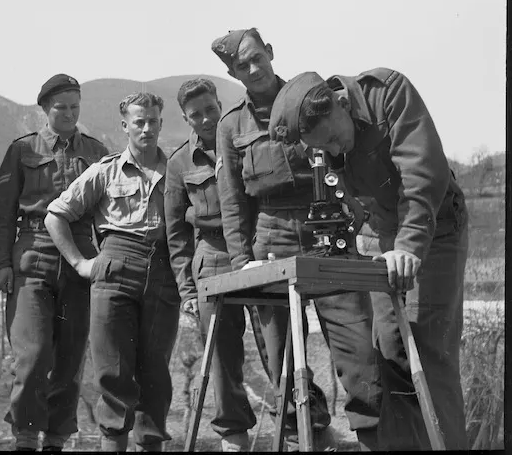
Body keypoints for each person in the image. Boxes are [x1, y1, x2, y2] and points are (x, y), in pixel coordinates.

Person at [268, 68, 469, 450]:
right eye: (321, 148)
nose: (330, 152)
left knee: (428, 352)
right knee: (390, 355)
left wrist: (408, 247)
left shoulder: (388, 93)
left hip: (435, 227)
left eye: (331, 139)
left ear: (341, 103)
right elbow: (354, 201)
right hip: (385, 236)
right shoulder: (330, 140)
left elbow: (422, 177)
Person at [212, 29, 381, 451]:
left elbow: (349, 161)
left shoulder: (311, 99)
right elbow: (233, 202)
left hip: (328, 232)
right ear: (233, 73)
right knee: (282, 362)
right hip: (270, 240)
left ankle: (376, 436)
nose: (252, 69)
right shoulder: (231, 125)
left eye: (256, 58)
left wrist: (355, 223)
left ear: (269, 52)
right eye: (241, 66)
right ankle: (310, 435)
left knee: (358, 350)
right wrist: (240, 264)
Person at [43, 92, 180, 452]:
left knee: (156, 374)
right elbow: (55, 214)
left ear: (161, 123)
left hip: (163, 271)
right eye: (139, 121)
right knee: (113, 373)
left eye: (153, 121)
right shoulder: (105, 171)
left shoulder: (176, 171)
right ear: (125, 126)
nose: (147, 128)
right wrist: (79, 262)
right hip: (115, 268)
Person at [0, 74, 109, 452]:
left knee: (71, 358)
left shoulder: (96, 150)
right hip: (33, 253)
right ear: (44, 109)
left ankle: (56, 439)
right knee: (34, 354)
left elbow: (106, 210)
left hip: (80, 255)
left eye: (75, 106)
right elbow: (1, 213)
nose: (70, 114)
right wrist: (0, 263)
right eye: (61, 107)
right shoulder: (22, 150)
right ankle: (25, 436)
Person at [164, 78, 256, 453]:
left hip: (256, 250)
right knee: (221, 355)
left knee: (275, 344)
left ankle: (302, 426)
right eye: (195, 114)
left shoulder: (243, 141)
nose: (205, 119)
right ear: (185, 118)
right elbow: (176, 236)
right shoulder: (179, 162)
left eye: (210, 109)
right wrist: (187, 288)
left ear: (220, 104)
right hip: (214, 260)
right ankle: (234, 438)